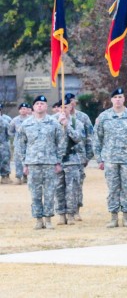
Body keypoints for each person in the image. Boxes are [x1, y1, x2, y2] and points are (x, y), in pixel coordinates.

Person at [93, 88, 127, 228]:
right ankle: (113, 217)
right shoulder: (104, 117)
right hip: (110, 159)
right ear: (111, 100)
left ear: (124, 99)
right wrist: (99, 158)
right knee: (113, 189)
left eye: (120, 96)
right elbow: (97, 138)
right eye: (115, 97)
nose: (117, 99)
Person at [17, 95, 65, 230]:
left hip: (49, 163)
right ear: (33, 107)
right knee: (35, 193)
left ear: (46, 107)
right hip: (32, 163)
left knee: (49, 192)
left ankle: (48, 219)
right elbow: (21, 144)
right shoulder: (26, 124)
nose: (39, 106)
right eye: (37, 103)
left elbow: (60, 143)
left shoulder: (53, 123)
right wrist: (24, 163)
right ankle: (38, 219)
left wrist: (58, 161)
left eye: (42, 103)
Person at [63, 93, 94, 221]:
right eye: (67, 103)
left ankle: (76, 210)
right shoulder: (58, 118)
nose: (70, 104)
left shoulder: (83, 117)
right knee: (62, 186)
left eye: (71, 101)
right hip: (63, 157)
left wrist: (88, 155)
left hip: (79, 156)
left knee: (77, 185)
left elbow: (89, 137)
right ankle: (64, 211)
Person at [54, 99, 86, 225]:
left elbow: (78, 138)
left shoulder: (76, 122)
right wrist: (58, 124)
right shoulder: (52, 122)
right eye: (60, 108)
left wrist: (67, 126)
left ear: (70, 109)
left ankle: (71, 214)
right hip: (57, 161)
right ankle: (61, 214)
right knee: (58, 188)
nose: (63, 110)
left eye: (65, 107)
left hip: (72, 160)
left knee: (72, 189)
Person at [8, 103, 32, 185]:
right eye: (21, 109)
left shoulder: (31, 119)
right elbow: (10, 131)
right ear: (19, 110)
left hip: (29, 144)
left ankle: (26, 177)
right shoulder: (15, 120)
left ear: (27, 110)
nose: (23, 110)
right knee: (18, 161)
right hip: (18, 144)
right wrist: (16, 137)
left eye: (25, 108)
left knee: (28, 160)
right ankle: (18, 177)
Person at [0, 106, 10, 184]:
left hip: (3, 144)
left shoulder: (5, 121)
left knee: (4, 160)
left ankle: (4, 177)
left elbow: (8, 134)